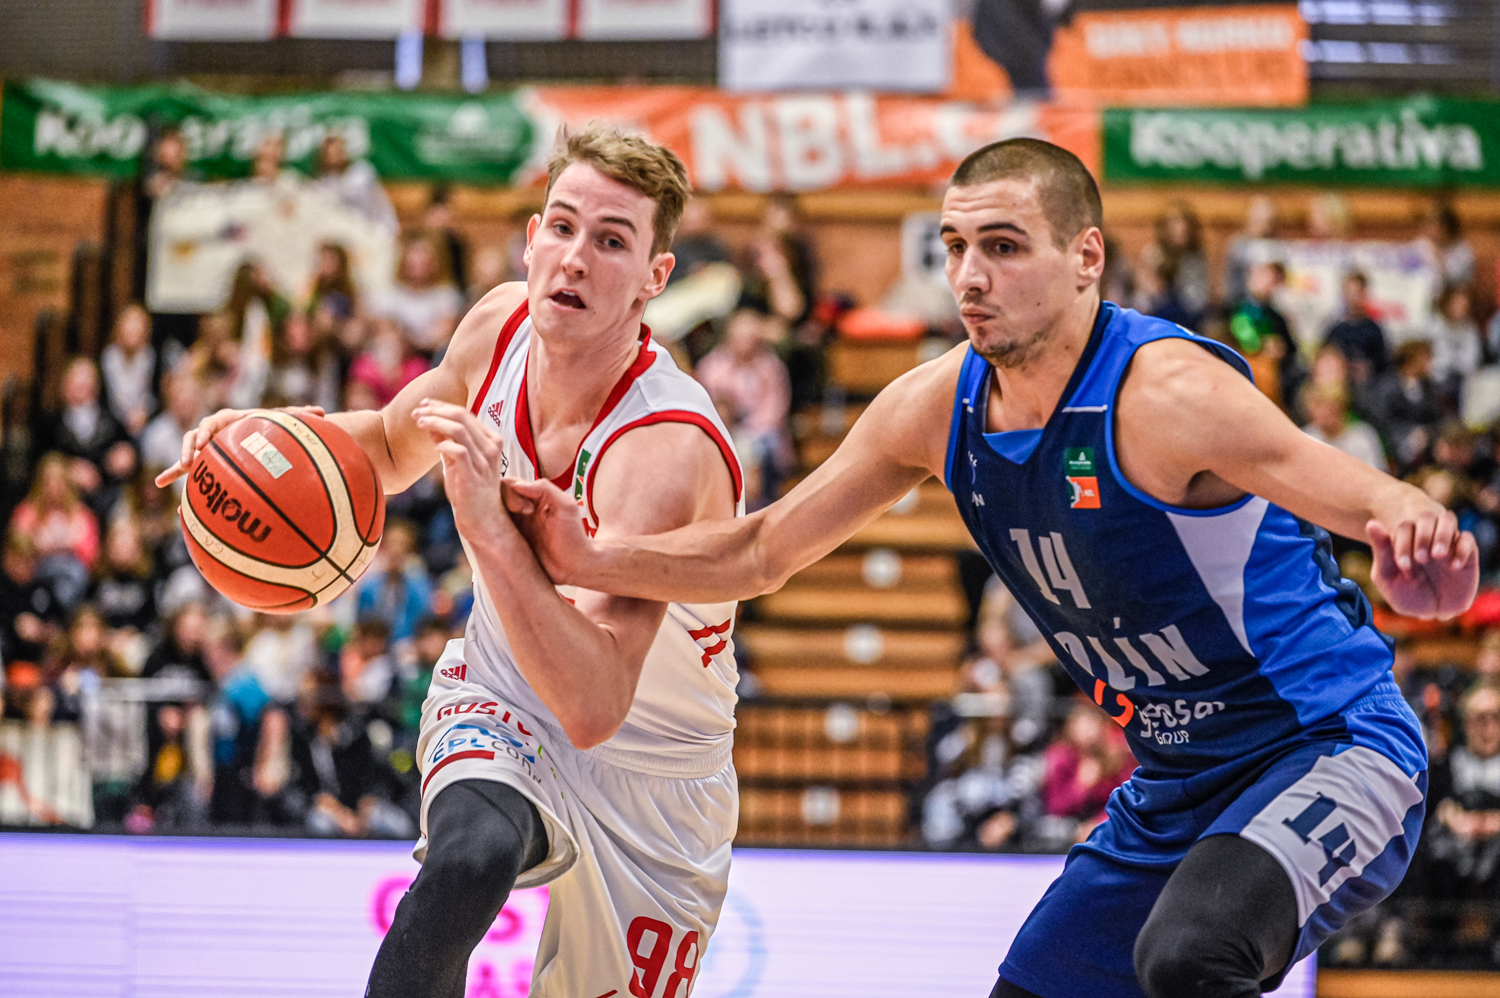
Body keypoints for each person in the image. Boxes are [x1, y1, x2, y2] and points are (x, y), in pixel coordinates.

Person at [513, 138, 1477, 998]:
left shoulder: (1169, 394)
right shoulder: (934, 407)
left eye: (1005, 247)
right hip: (1180, 783)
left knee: (1189, 958)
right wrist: (594, 556)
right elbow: (762, 549)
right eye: (955, 247)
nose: (970, 277)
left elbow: (1357, 490)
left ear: (1086, 258)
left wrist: (1417, 531)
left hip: (1334, 746)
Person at [158, 125, 744, 997]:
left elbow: (594, 703)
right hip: (506, 692)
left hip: (653, 771)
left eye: (611, 241)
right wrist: (262, 443)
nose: (574, 258)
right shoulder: (500, 325)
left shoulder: (663, 448)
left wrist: (488, 527)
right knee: (471, 856)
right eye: (562, 227)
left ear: (655, 277)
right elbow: (390, 444)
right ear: (531, 237)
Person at [1301, 381, 1388, 472]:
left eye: (1327, 406)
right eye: (1315, 406)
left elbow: (1377, 474)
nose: (1320, 412)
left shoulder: (1362, 437)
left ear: (1340, 408)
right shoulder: (1306, 438)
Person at [1324, 271, 1389, 388]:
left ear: (1364, 293)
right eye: (1348, 292)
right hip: (1338, 387)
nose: (1352, 297)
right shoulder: (1335, 328)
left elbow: (1383, 364)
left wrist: (1367, 367)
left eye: (1356, 292)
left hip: (1367, 388)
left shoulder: (1374, 330)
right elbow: (1325, 357)